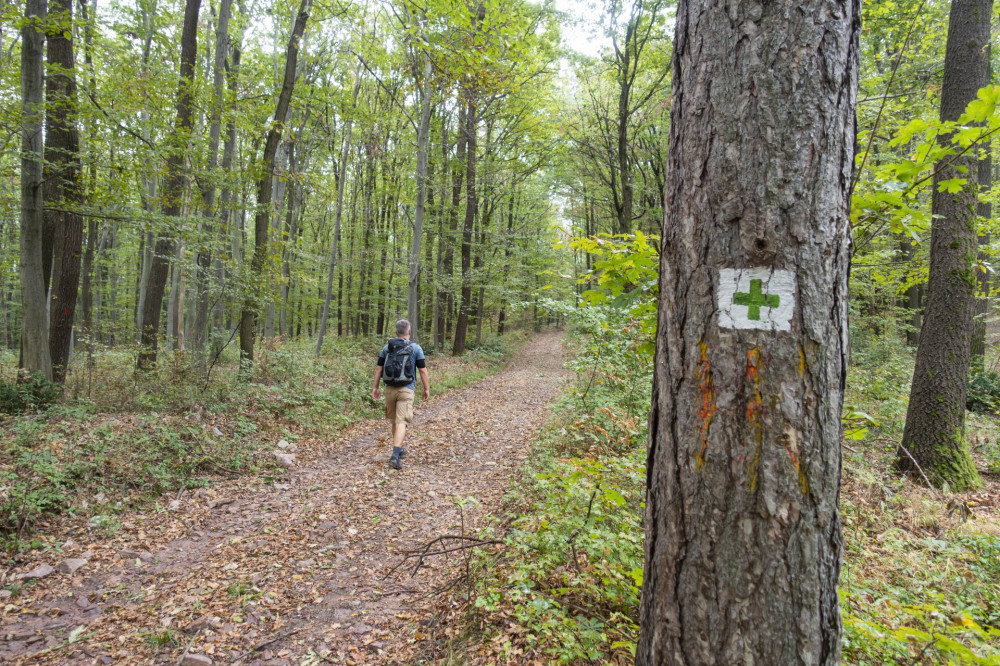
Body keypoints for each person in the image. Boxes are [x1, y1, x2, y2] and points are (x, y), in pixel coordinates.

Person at [372, 319, 429, 469]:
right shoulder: (416, 348)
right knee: (401, 421)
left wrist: (375, 387)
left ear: (396, 332)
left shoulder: (387, 347)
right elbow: (422, 370)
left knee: (394, 421)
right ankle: (395, 455)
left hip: (390, 389)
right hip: (406, 388)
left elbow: (379, 369)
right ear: (409, 331)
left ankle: (399, 448)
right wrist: (426, 388)